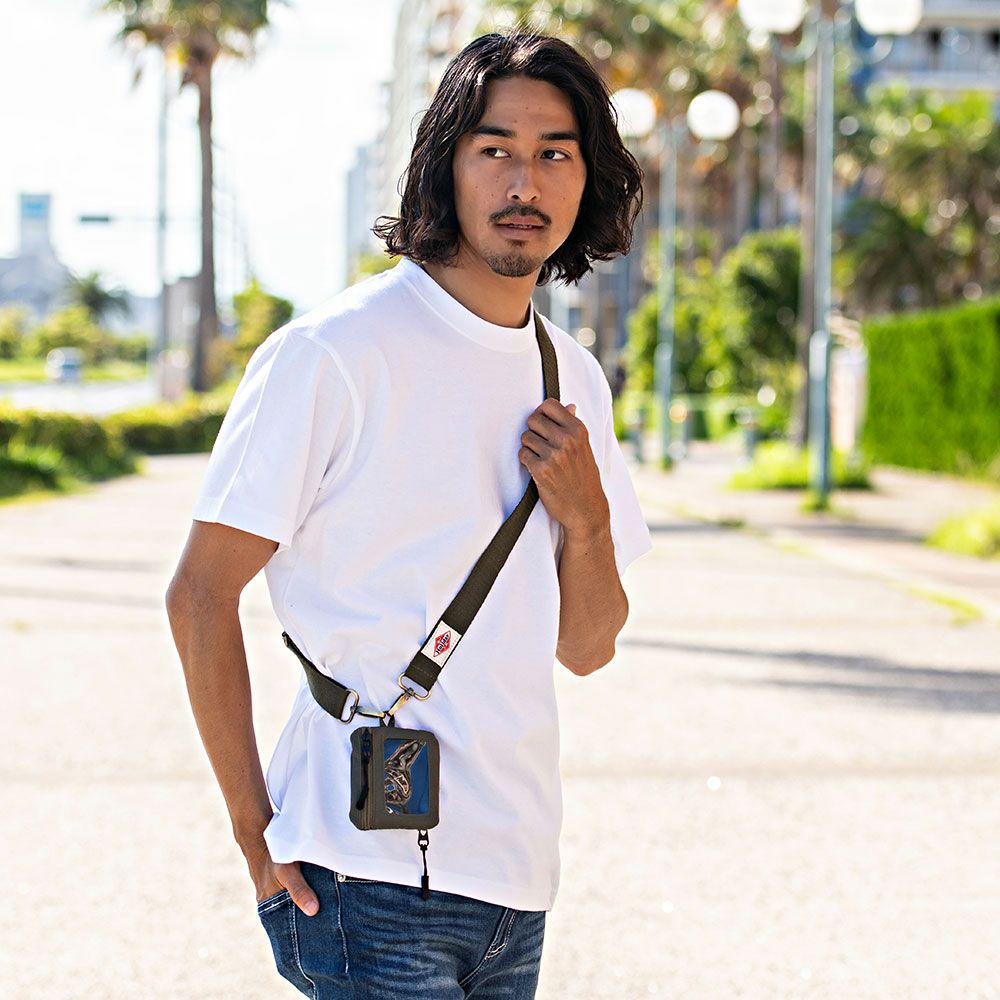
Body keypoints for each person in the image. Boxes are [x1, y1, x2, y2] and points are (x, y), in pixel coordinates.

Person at [166, 29, 652, 1000]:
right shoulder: (336, 353)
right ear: (445, 165)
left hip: (515, 877)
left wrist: (589, 519)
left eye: (555, 153)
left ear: (587, 178)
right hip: (361, 871)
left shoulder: (571, 379)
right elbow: (200, 595)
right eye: (495, 148)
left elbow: (588, 647)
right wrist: (254, 834)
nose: (525, 181)